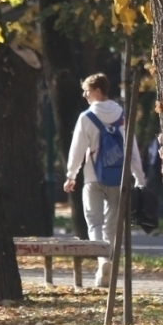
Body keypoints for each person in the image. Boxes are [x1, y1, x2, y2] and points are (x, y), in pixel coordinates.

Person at [64, 73, 145, 287]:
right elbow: (132, 149)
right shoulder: (122, 116)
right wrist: (139, 177)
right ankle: (107, 264)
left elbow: (77, 150)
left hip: (93, 179)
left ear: (98, 91)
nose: (85, 95)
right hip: (119, 179)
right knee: (112, 226)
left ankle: (103, 263)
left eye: (87, 91)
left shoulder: (86, 117)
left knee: (94, 222)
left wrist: (71, 175)